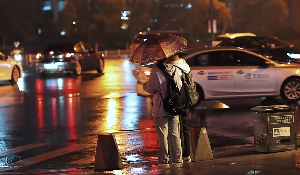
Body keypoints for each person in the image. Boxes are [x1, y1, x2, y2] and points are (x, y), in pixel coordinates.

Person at [143, 53, 190, 164]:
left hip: (160, 108)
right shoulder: (176, 69)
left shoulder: (156, 71)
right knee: (175, 135)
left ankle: (164, 160)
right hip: (174, 107)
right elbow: (179, 86)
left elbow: (150, 88)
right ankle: (177, 160)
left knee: (163, 137)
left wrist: (146, 84)